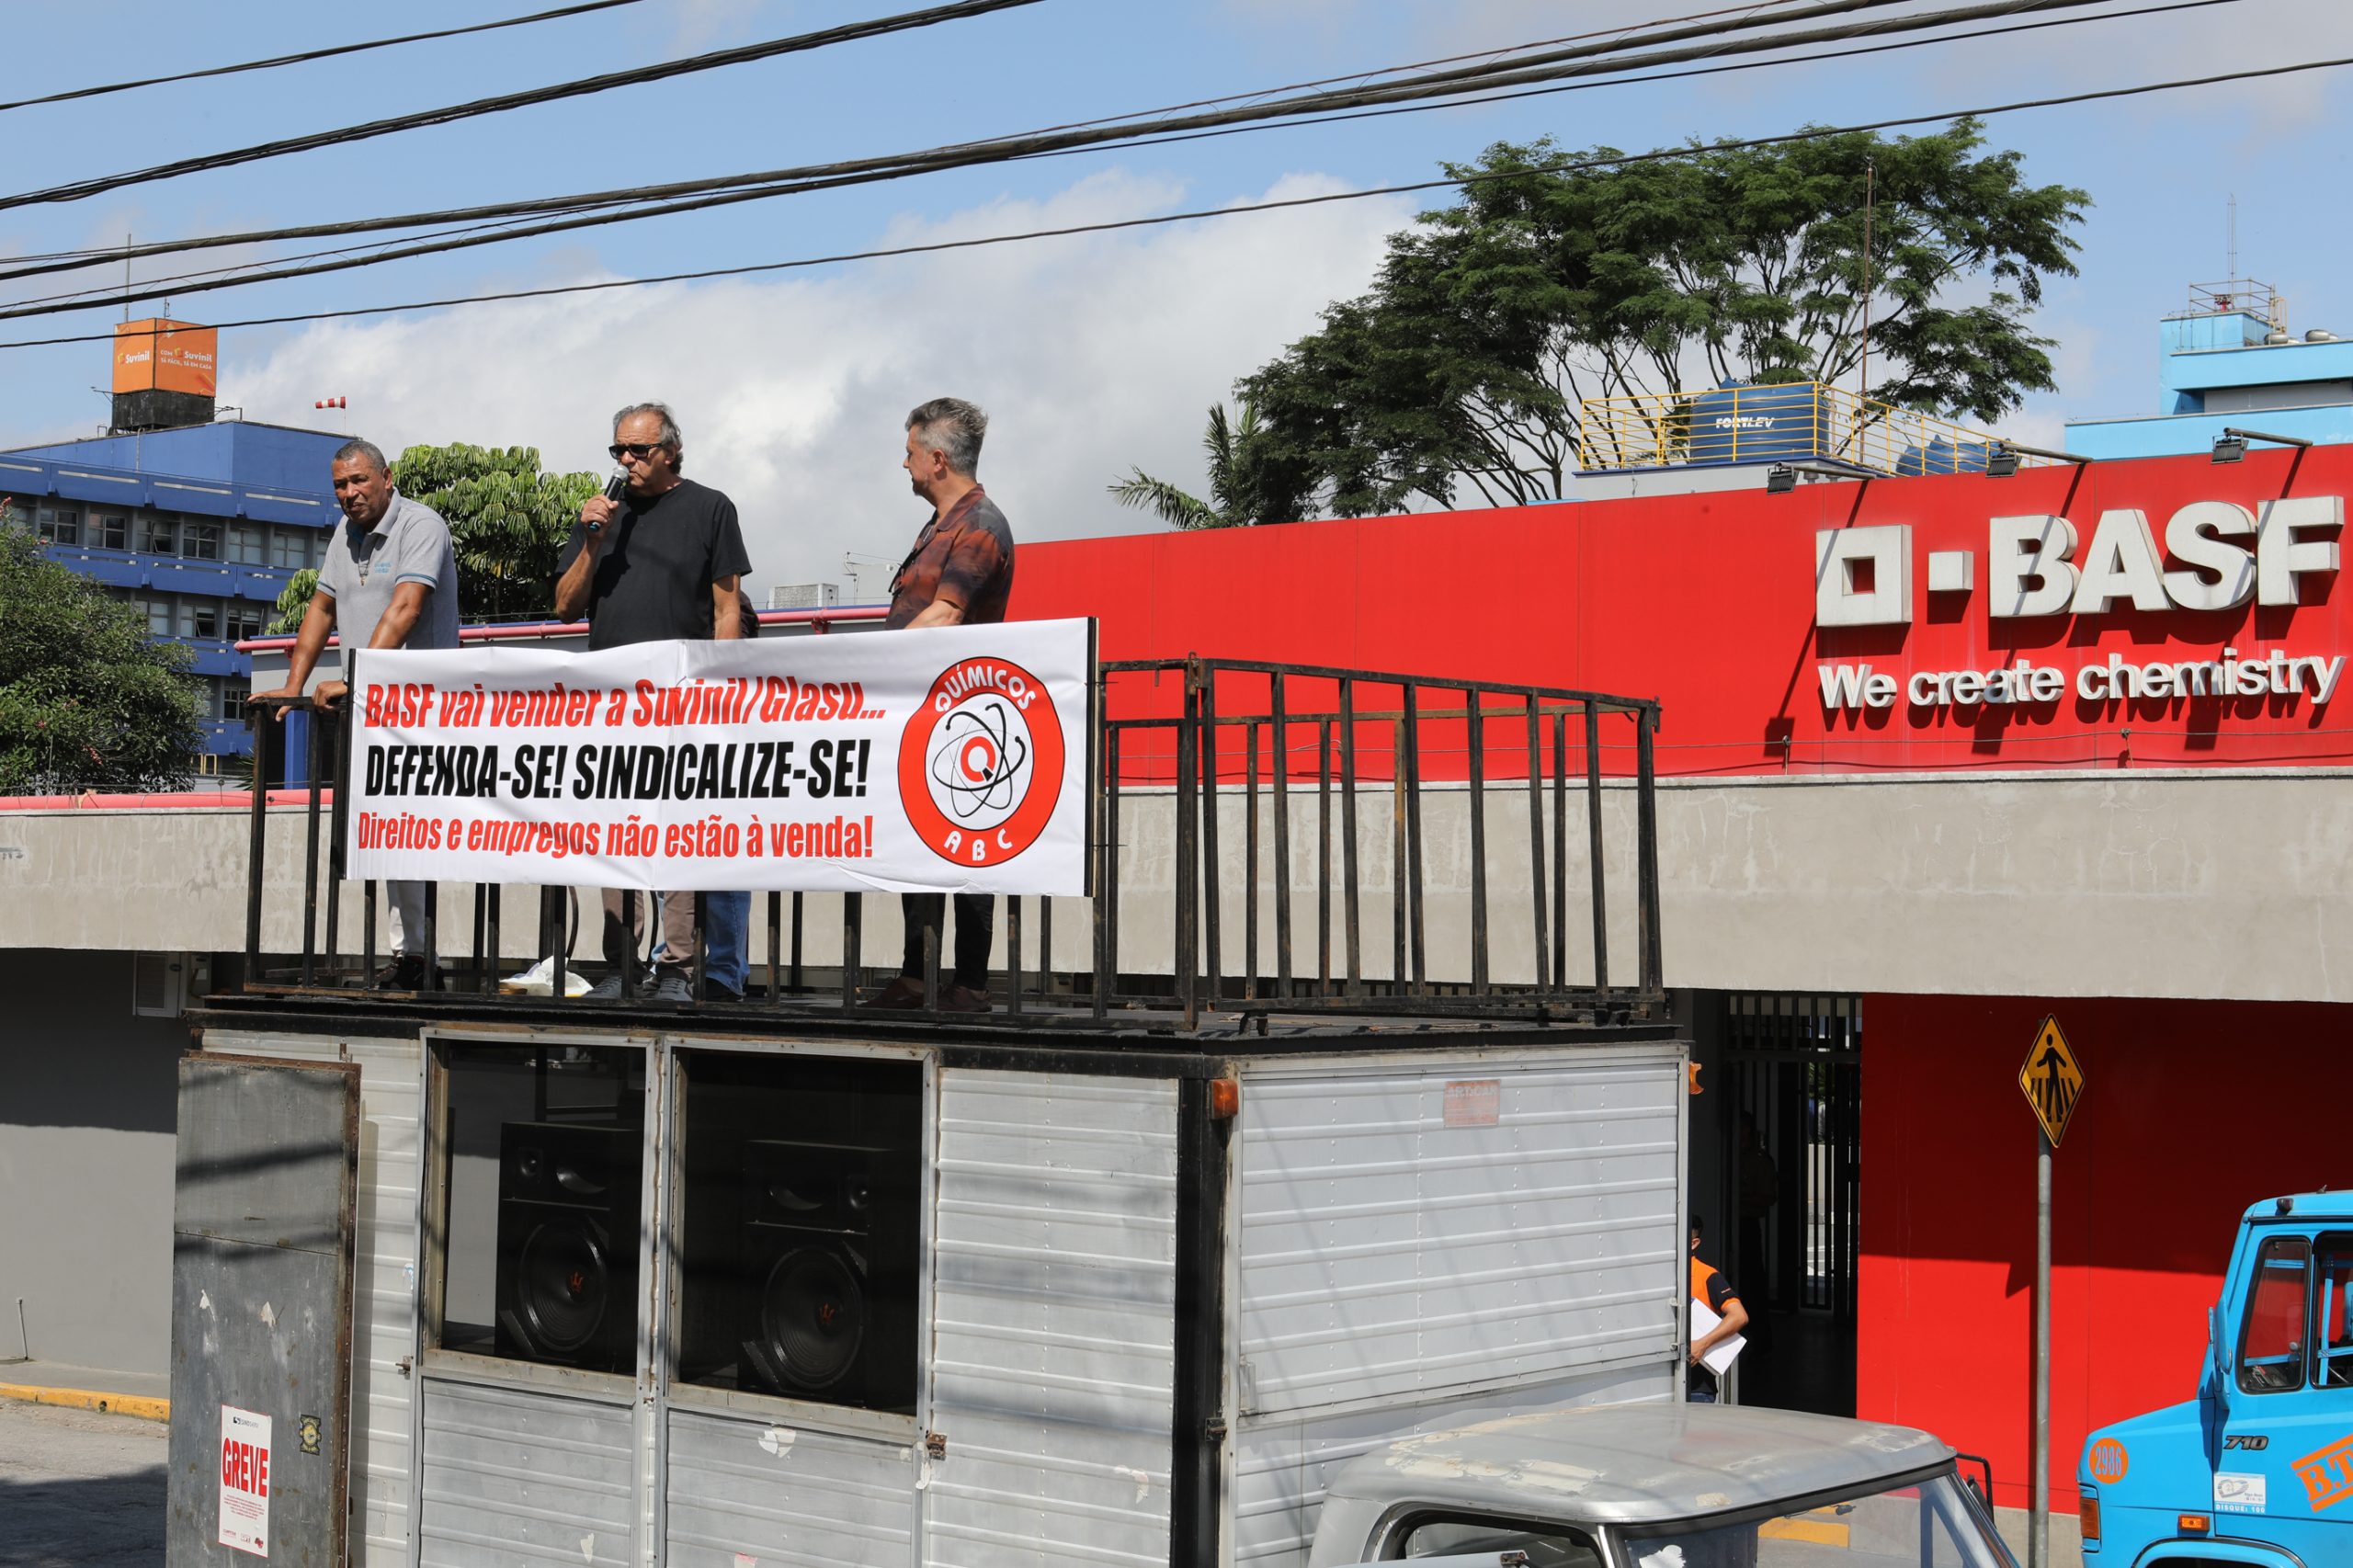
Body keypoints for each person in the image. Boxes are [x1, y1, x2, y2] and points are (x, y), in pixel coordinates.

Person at [555, 402, 749, 1004]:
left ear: (670, 451)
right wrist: (593, 541)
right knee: (618, 834)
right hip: (612, 708)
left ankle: (679, 966)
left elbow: (726, 608)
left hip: (684, 702)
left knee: (680, 835)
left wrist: (722, 689)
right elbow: (564, 605)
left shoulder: (710, 509)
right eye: (618, 450)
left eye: (638, 450)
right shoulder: (600, 516)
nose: (626, 461)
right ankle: (621, 964)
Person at [258, 437, 461, 991]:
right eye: (340, 486)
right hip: (373, 710)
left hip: (425, 709)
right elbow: (322, 607)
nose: (349, 494)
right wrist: (291, 687)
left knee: (417, 830)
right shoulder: (343, 536)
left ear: (386, 477)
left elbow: (407, 606)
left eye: (358, 482)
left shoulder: (421, 526)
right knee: (387, 832)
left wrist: (353, 678)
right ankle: (409, 955)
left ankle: (424, 958)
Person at [862, 397, 1014, 1014]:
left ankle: (969, 986)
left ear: (938, 458)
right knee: (920, 843)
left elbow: (946, 613)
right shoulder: (942, 524)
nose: (905, 465)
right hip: (926, 711)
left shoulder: (979, 526)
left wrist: (865, 670)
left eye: (910, 454)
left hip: (962, 712)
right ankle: (919, 976)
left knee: (967, 844)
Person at [701, 587, 763, 1002]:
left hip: (727, 769)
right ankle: (676, 960)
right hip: (698, 762)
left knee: (725, 872)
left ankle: (725, 970)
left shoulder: (729, 605)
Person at [1688, 1215, 1749, 1403]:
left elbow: (1739, 1316)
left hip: (1698, 1387)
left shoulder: (1707, 1275)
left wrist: (1702, 1344)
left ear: (1694, 1243)